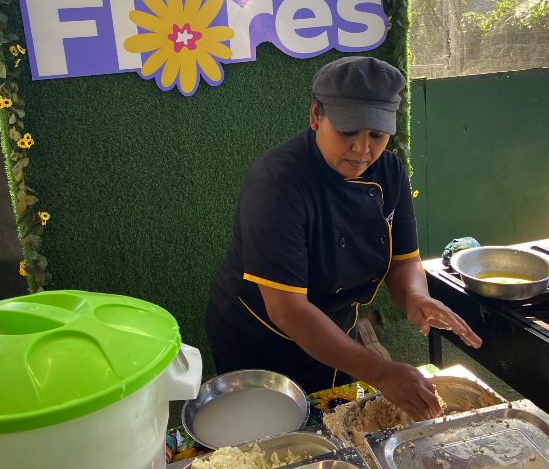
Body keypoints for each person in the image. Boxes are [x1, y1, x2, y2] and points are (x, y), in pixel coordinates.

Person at [206, 56, 482, 420]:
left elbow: (405, 261)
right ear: (316, 116)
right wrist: (381, 371)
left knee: (336, 423)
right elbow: (288, 310)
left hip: (336, 330)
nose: (362, 150)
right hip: (261, 337)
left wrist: (415, 295)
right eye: (348, 132)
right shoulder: (277, 183)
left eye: (377, 135)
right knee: (268, 434)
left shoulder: (390, 172)